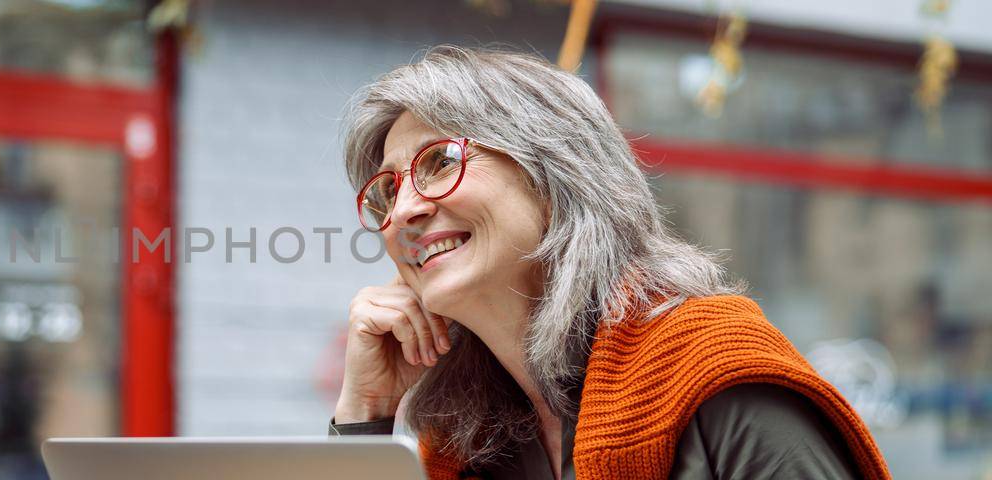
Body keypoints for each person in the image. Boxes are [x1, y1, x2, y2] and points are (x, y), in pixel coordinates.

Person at [329, 46, 890, 480]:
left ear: (555, 175)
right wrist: (366, 413)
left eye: (438, 162)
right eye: (386, 190)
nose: (403, 211)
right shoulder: (464, 439)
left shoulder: (717, 372)